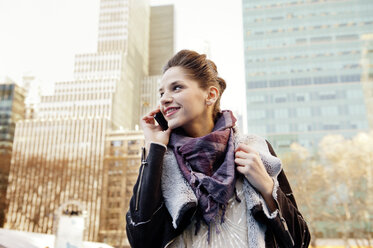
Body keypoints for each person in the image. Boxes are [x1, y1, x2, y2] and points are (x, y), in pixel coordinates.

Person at [126, 50, 311, 248]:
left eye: (176, 88)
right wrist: (153, 148)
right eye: (162, 93)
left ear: (211, 94)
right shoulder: (161, 158)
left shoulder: (256, 149)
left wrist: (267, 187)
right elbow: (140, 240)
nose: (164, 99)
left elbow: (300, 241)